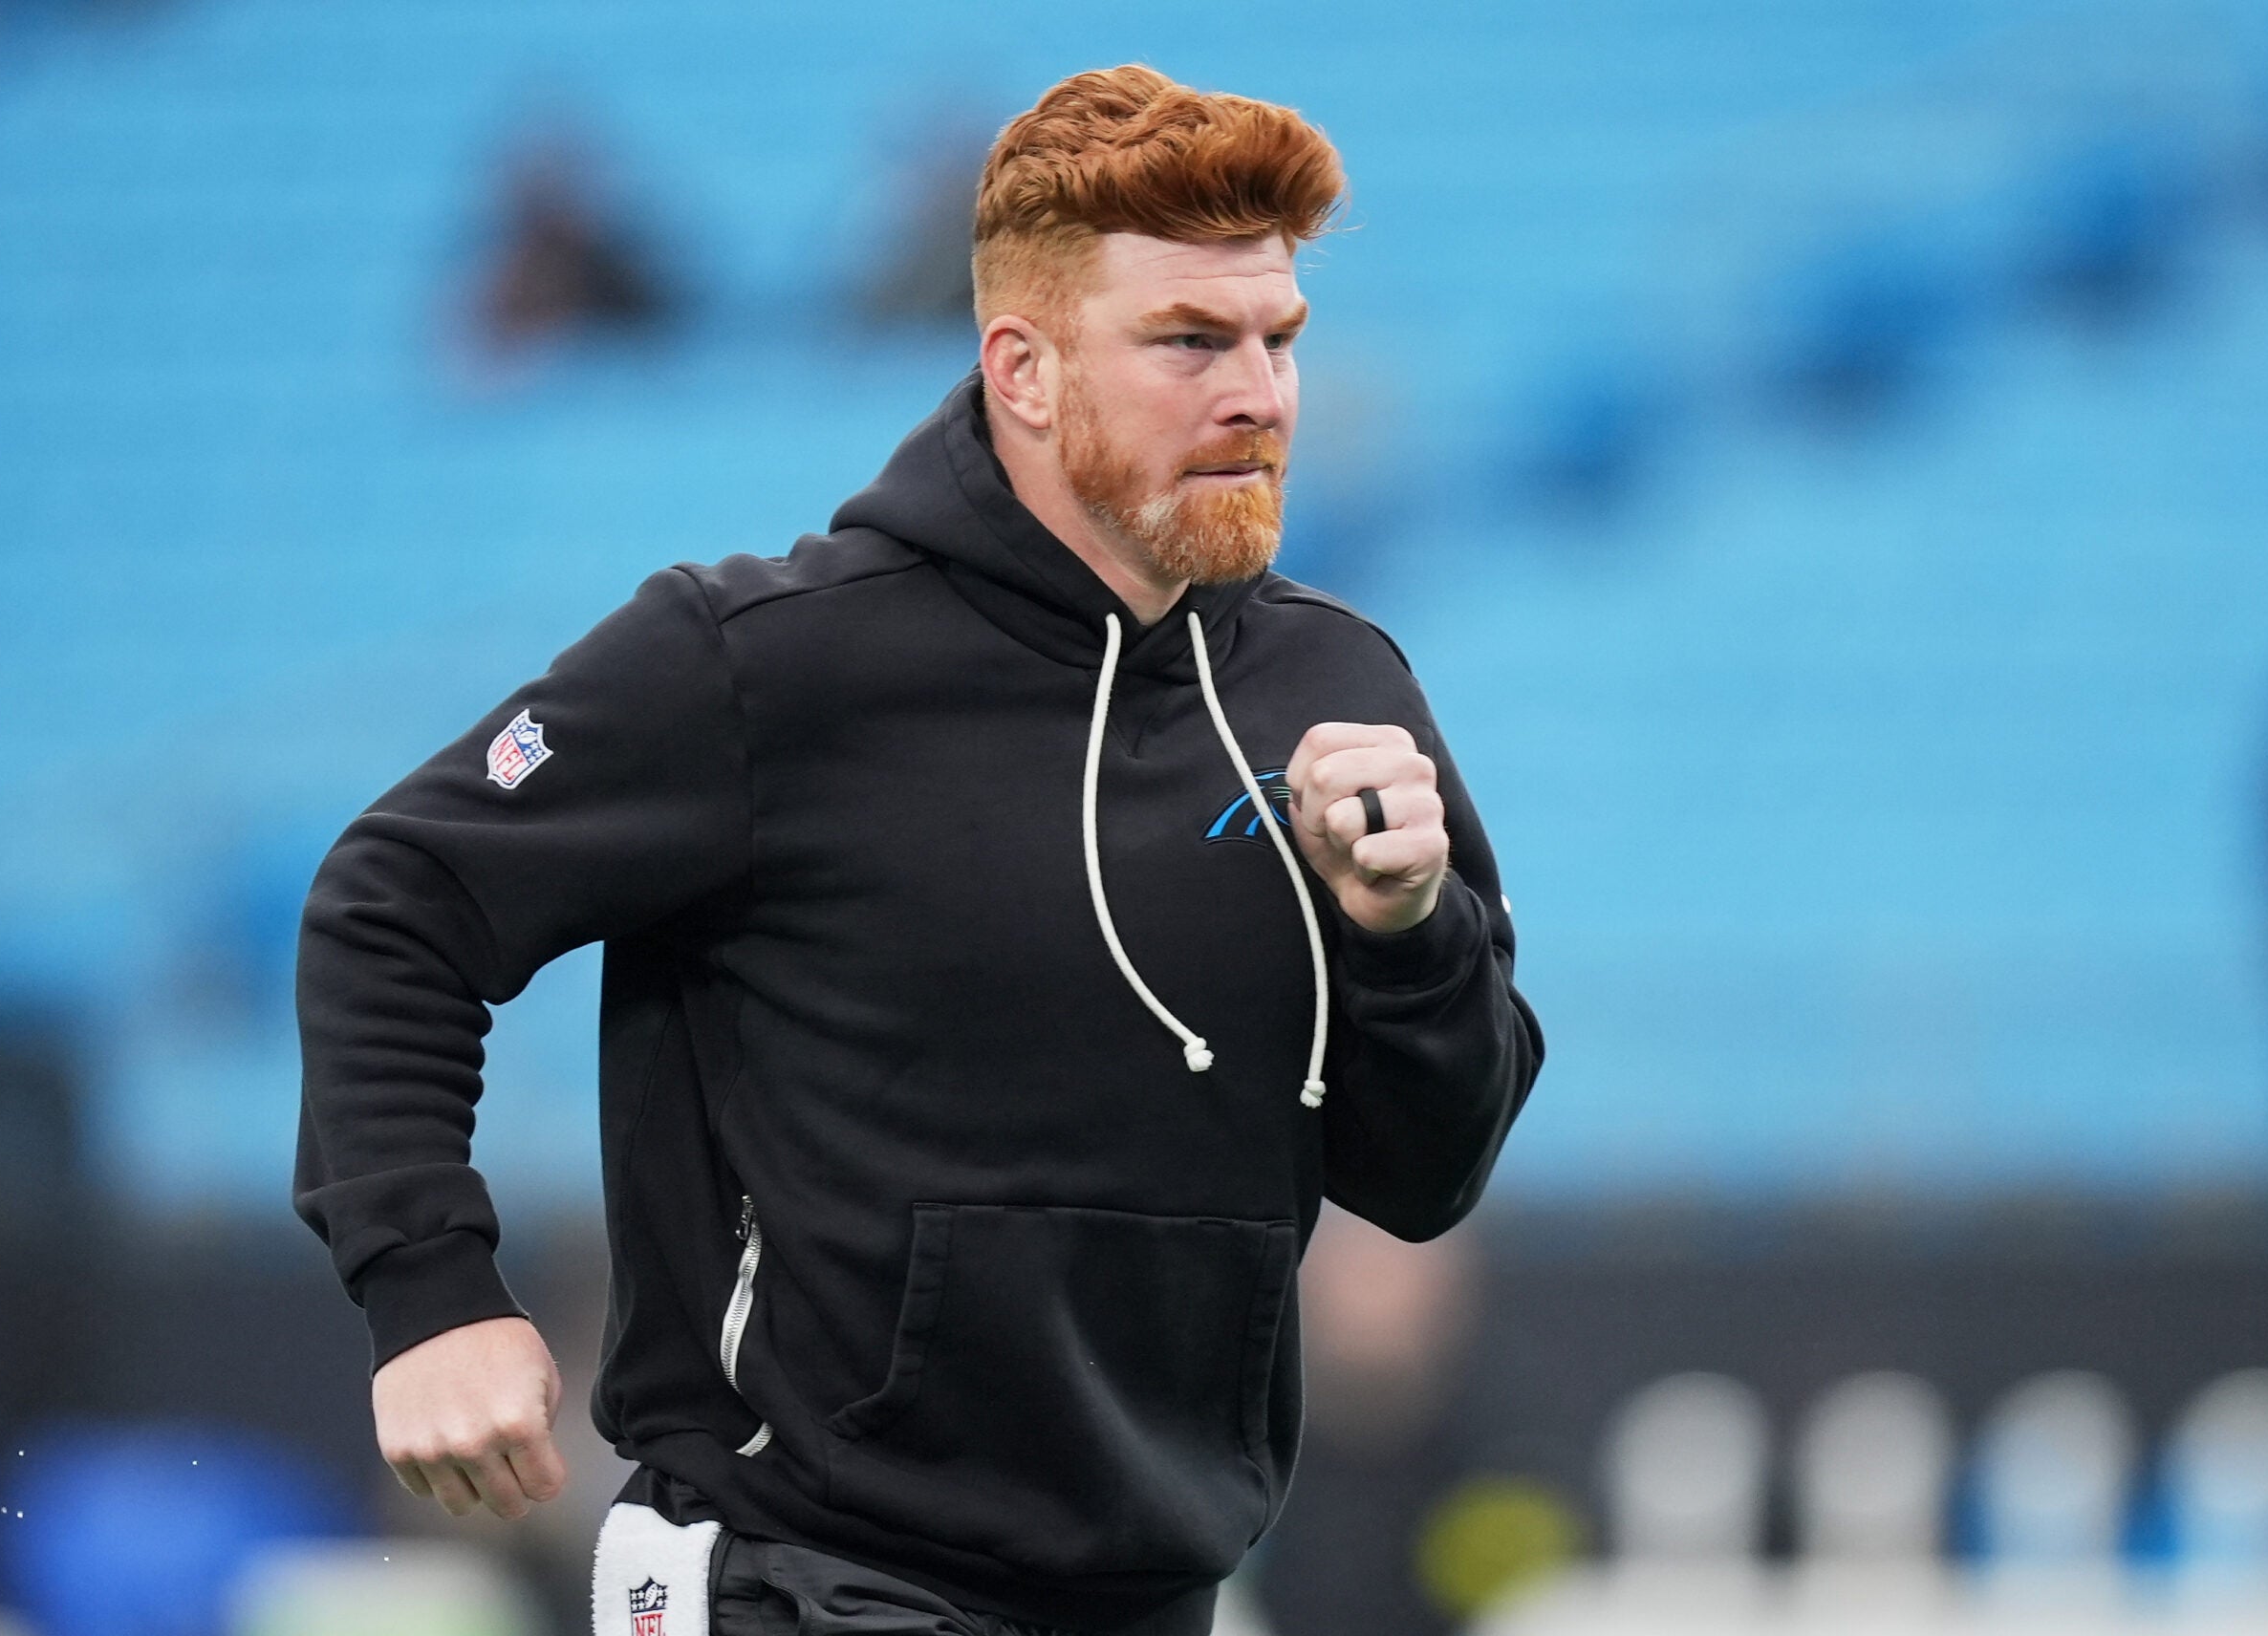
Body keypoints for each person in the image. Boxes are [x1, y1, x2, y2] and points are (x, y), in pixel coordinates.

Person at [293, 64, 1544, 1636]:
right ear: (1021, 369)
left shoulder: (1338, 687)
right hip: (794, 1580)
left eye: (1278, 341)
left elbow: (1427, 1179)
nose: (1261, 395)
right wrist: (430, 1295)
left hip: (1160, 1596)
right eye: (1189, 343)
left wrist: (1409, 932)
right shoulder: (758, 660)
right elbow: (393, 901)